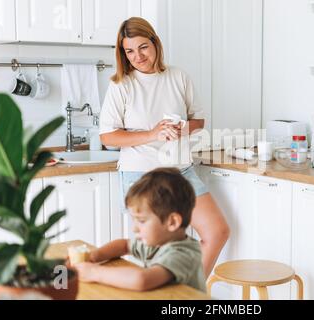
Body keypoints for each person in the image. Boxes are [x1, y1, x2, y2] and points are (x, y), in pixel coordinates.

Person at [99, 17, 229, 277]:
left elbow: (198, 120)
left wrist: (183, 128)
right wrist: (152, 133)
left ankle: (188, 293)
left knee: (217, 232)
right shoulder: (121, 84)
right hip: (142, 176)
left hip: (181, 171)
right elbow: (108, 137)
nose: (138, 56)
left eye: (143, 47)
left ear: (155, 43)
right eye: (129, 51)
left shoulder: (178, 76)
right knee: (160, 253)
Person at [72, 168, 206, 292]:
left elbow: (142, 280)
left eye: (141, 221)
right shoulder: (158, 242)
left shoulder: (183, 254)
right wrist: (93, 257)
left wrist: (94, 272)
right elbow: (123, 245)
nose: (134, 228)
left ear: (172, 222)